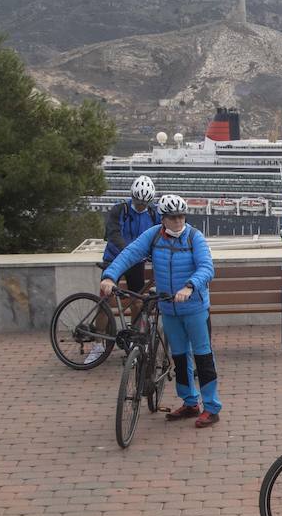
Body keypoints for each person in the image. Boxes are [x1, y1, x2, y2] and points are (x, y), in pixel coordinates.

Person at [100, 194, 221, 427]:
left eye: (181, 216)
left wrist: (189, 286)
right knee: (179, 356)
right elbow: (129, 254)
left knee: (203, 356)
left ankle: (212, 407)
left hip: (194, 306)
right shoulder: (154, 235)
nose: (178, 221)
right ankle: (190, 403)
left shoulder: (194, 237)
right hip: (168, 307)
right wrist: (110, 276)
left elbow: (207, 267)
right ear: (163, 218)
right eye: (173, 217)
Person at [90, 176, 161, 364]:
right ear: (132, 197)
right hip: (114, 258)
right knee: (106, 300)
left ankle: (135, 342)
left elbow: (158, 238)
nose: (140, 206)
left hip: (136, 263)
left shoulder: (154, 215)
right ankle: (98, 344)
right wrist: (129, 251)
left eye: (144, 203)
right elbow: (112, 234)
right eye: (138, 202)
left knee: (138, 302)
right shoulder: (119, 210)